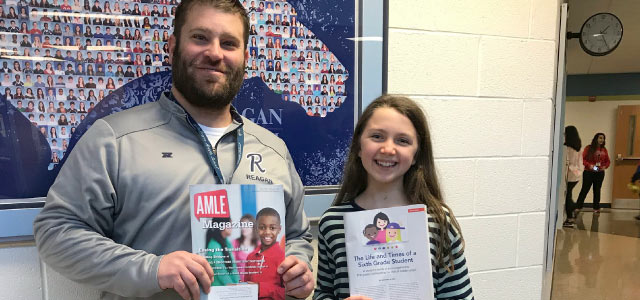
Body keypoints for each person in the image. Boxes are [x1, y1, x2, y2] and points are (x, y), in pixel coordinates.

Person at [34, 1, 314, 299]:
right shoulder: (115, 140)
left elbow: (297, 235)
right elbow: (57, 232)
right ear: (172, 47)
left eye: (229, 43)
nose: (215, 53)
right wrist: (152, 270)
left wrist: (298, 266)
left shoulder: (273, 150)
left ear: (244, 58)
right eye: (200, 38)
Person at [314, 95, 474, 300]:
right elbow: (322, 294)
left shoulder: (438, 221)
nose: (388, 149)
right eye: (377, 136)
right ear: (359, 148)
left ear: (416, 155)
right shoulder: (333, 222)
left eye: (403, 140)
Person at [243, 208, 285, 300]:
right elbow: (246, 286)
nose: (267, 232)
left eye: (272, 228)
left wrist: (260, 288)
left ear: (279, 229)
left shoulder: (283, 257)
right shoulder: (250, 257)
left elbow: (288, 294)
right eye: (262, 227)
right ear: (256, 229)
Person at [574, 133, 610, 216]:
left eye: (603, 138)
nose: (602, 140)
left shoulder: (604, 149)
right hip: (589, 172)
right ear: (596, 138)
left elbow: (608, 161)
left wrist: (605, 166)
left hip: (600, 173)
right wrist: (590, 166)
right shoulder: (589, 148)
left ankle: (596, 208)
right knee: (585, 189)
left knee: (597, 190)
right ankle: (578, 206)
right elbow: (583, 159)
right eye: (600, 138)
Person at [205, 217, 240, 286]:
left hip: (227, 287)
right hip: (218, 289)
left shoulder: (227, 242)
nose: (232, 227)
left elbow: (233, 268)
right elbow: (221, 271)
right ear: (222, 225)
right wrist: (233, 285)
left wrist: (238, 283)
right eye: (230, 224)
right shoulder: (214, 245)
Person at [563, 126, 583, 227]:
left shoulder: (567, 148)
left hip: (569, 173)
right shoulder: (578, 147)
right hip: (577, 174)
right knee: (568, 194)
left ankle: (570, 217)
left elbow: (567, 162)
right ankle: (575, 208)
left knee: (567, 196)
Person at [232, 214, 259, 280]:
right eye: (242, 225)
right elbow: (232, 265)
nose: (243, 228)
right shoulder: (235, 243)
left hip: (255, 282)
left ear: (253, 227)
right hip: (238, 282)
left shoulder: (259, 244)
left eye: (246, 225)